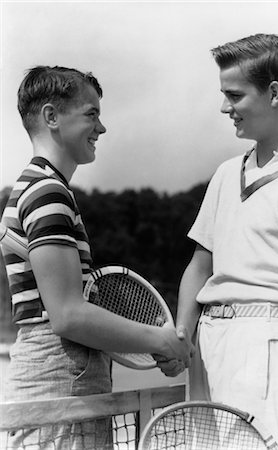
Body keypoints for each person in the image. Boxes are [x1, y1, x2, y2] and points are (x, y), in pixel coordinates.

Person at [160, 34, 278, 449]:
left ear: (274, 93)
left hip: (268, 350)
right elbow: (199, 267)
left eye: (235, 95)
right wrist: (183, 335)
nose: (225, 107)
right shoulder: (226, 173)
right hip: (207, 351)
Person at [1, 66, 192, 448]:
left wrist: (156, 344)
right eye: (91, 114)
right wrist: (161, 340)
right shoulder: (47, 193)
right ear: (51, 116)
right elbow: (69, 315)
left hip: (54, 393)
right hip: (60, 397)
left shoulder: (38, 187)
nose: (101, 128)